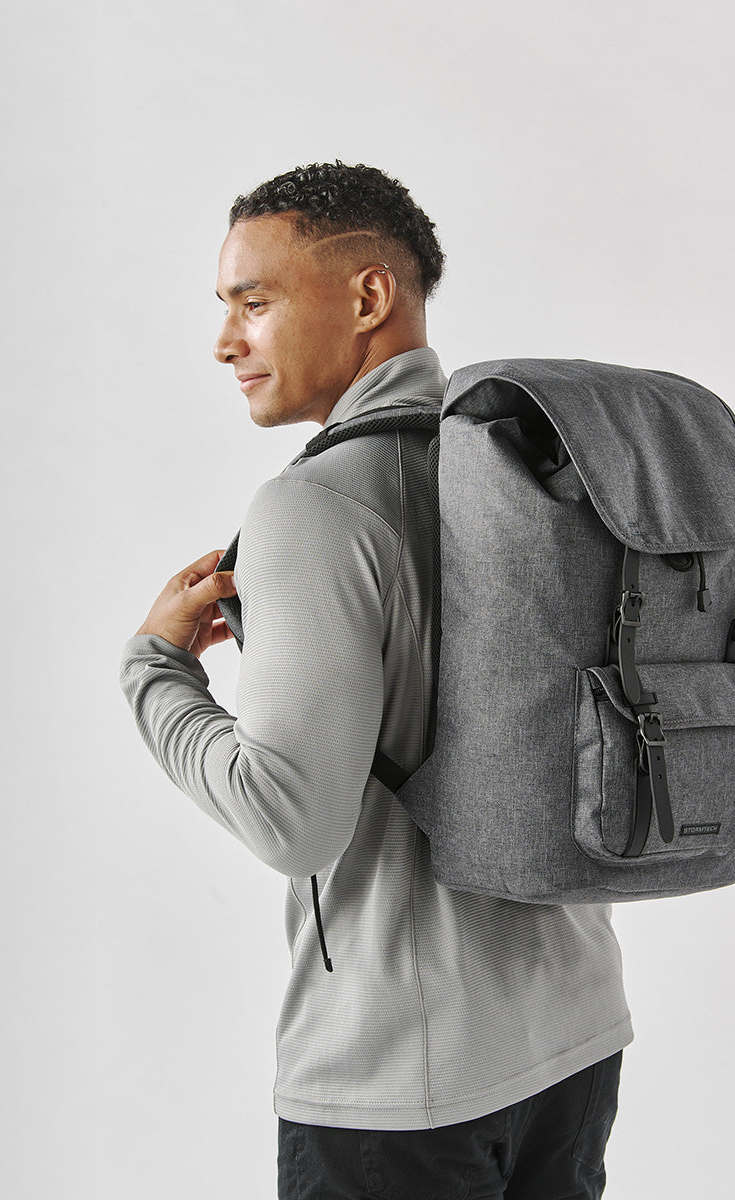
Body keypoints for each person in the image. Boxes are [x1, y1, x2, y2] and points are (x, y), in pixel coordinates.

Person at [119, 162, 632, 1199]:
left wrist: (155, 673)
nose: (225, 342)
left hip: (401, 1081)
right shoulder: (532, 467)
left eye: (253, 303)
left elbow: (292, 825)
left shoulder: (313, 508)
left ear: (367, 297)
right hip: (575, 1031)